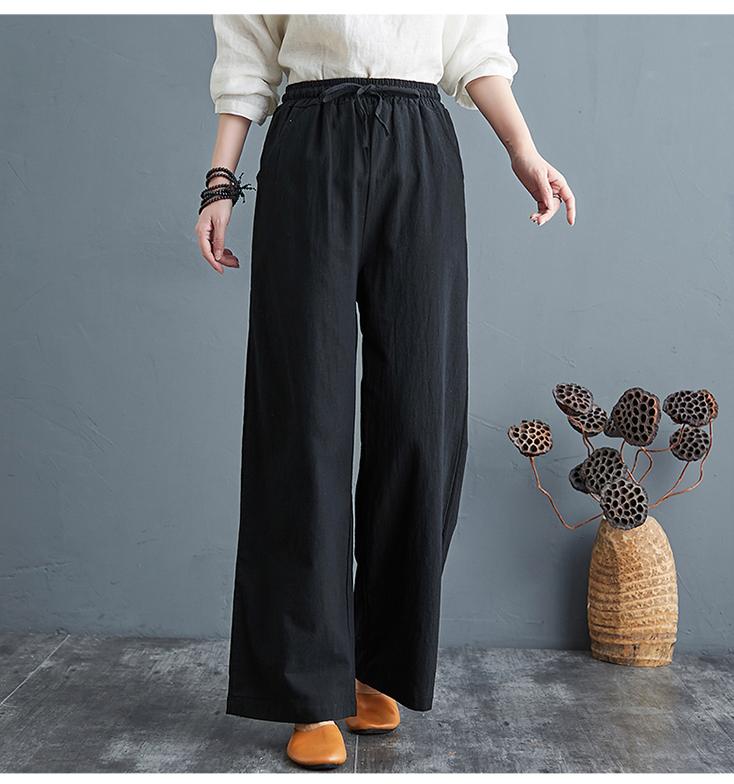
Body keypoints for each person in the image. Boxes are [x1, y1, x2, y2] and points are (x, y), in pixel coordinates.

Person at [195, 14, 575, 770]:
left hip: (420, 145)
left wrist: (522, 149)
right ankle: (308, 689)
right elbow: (246, 54)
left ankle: (378, 665)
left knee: (422, 417)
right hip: (309, 139)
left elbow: (474, 47)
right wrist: (219, 183)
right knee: (303, 419)